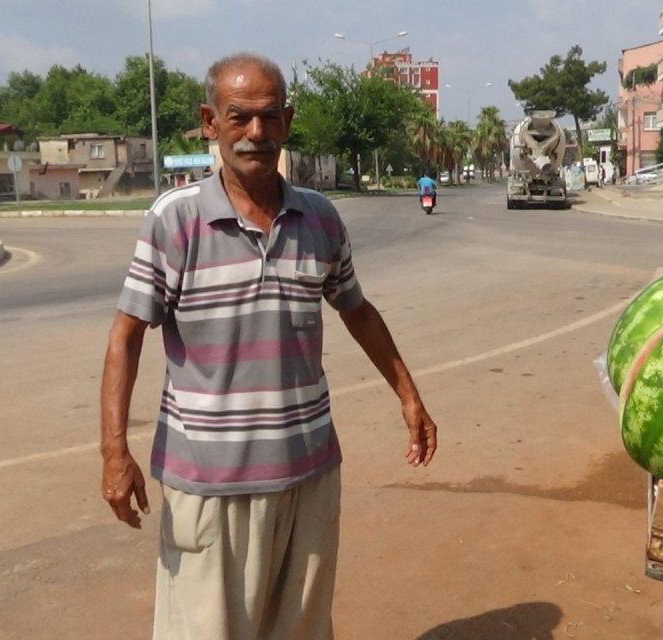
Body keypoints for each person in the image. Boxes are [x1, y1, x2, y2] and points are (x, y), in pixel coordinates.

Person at [99, 52, 439, 640]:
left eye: (269, 116)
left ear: (287, 120)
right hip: (208, 484)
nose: (256, 133)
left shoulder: (321, 219)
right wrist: (113, 451)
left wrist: (410, 397)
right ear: (211, 122)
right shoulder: (173, 221)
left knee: (302, 630)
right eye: (239, 118)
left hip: (307, 474)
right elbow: (125, 337)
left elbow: (356, 309)